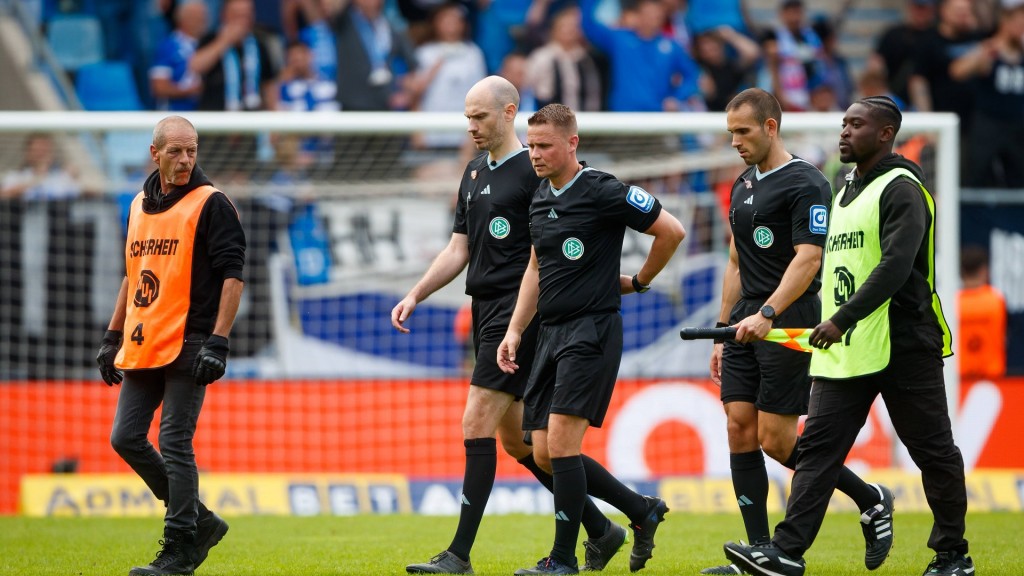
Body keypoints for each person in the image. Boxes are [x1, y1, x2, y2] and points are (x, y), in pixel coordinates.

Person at [723, 96, 972, 576]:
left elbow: (895, 266)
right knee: (817, 448)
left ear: (885, 134)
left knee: (933, 450)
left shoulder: (903, 187)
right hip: (848, 346)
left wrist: (840, 318)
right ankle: (787, 552)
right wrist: (839, 326)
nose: (844, 132)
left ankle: (952, 554)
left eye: (856, 125)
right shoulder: (843, 190)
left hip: (903, 342)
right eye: (843, 124)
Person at [394, 77, 625, 575]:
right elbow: (460, 248)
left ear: (508, 112)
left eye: (479, 117)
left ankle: (458, 555)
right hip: (484, 310)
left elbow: (551, 251)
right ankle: (611, 524)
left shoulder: (534, 172)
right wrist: (416, 293)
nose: (471, 126)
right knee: (521, 443)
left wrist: (614, 279)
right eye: (467, 118)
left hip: (518, 314)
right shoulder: (474, 171)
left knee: (475, 423)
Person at [703, 87, 894, 575]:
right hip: (746, 320)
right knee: (738, 428)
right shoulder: (743, 183)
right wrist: (725, 328)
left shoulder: (807, 182)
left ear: (771, 126)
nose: (736, 143)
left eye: (743, 132)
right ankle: (758, 553)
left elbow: (809, 258)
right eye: (730, 133)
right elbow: (734, 259)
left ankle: (869, 497)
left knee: (776, 440)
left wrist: (767, 312)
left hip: (788, 318)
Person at [497, 103, 686, 575]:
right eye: (531, 145)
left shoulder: (602, 189)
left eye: (544, 146)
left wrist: (640, 281)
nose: (535, 154)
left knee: (560, 444)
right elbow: (536, 269)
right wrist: (516, 329)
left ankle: (562, 560)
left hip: (593, 329)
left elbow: (671, 230)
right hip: (551, 334)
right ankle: (639, 512)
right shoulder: (540, 197)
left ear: (572, 143)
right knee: (540, 451)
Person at [97, 116, 246, 576]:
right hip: (144, 340)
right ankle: (200, 521)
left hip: (192, 339)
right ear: (154, 152)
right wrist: (112, 335)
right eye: (176, 152)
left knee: (174, 440)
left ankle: (180, 546)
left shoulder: (213, 203)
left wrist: (218, 341)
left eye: (192, 151)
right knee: (124, 437)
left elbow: (233, 276)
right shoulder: (140, 204)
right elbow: (131, 272)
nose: (185, 161)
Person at [949, 0, 1024, 188]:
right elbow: (957, 71)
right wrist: (983, 54)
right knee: (976, 173)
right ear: (1005, 21)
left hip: (1018, 127)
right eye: (1019, 20)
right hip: (989, 124)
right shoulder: (990, 49)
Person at [149, 1, 207, 112]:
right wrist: (189, 91)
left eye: (202, 15)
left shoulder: (208, 44)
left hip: (204, 113)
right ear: (180, 18)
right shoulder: (168, 46)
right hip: (174, 113)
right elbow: (158, 87)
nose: (200, 20)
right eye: (194, 15)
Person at [958, 245, 1006, 379]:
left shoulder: (952, 303)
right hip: (993, 377)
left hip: (959, 377)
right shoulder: (996, 300)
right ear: (984, 270)